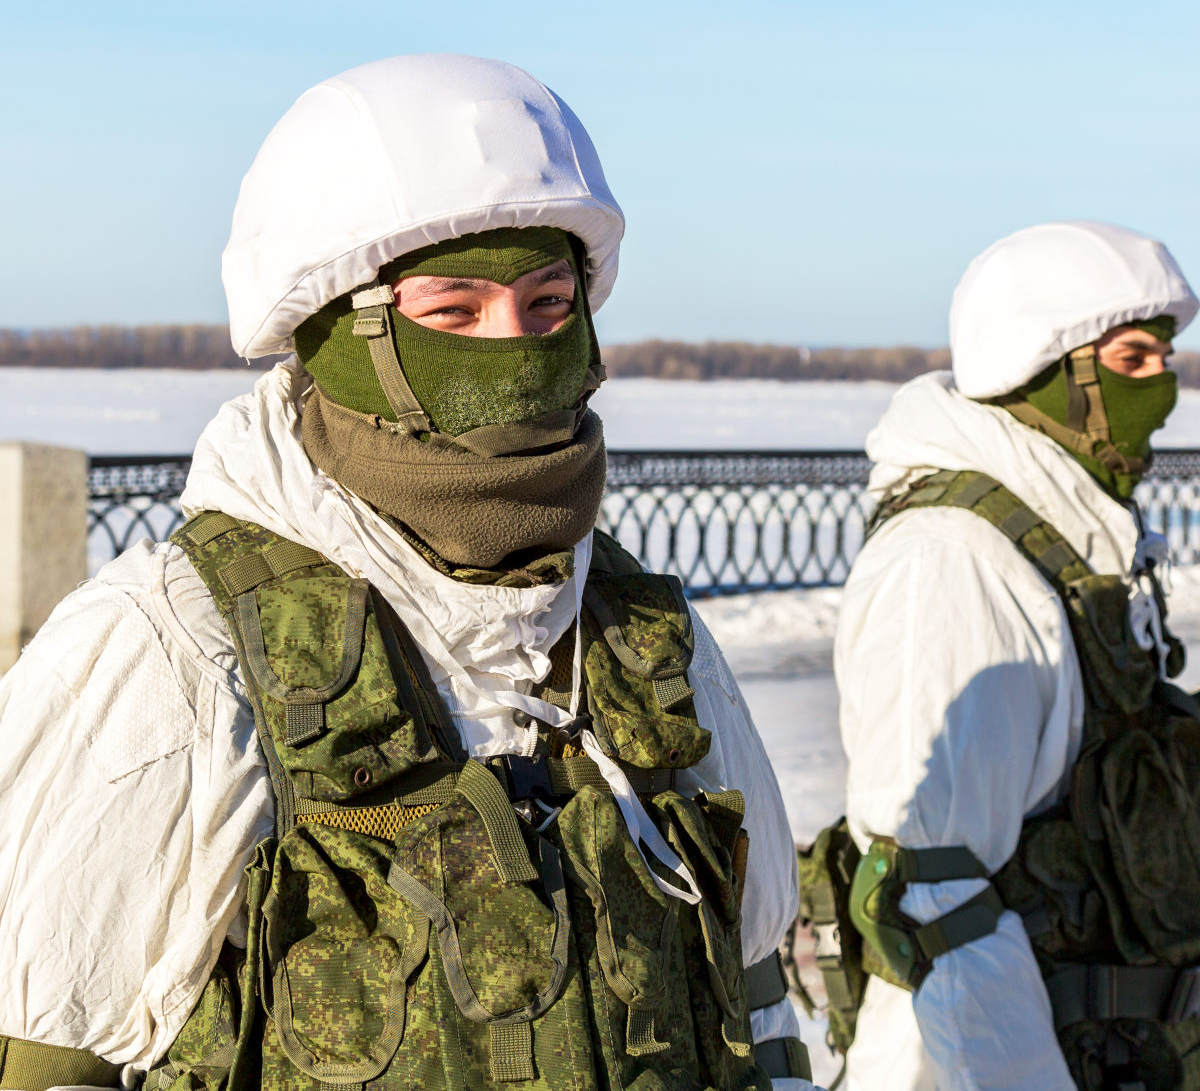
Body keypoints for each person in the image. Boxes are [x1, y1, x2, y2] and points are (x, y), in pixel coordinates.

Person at [0, 55, 814, 1090]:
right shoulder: (169, 648)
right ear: (342, 335)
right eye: (455, 312)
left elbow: (753, 1001)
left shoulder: (632, 636)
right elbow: (46, 1051)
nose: (515, 354)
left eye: (548, 304)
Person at [833, 220, 1200, 1090]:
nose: (1165, 389)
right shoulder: (950, 563)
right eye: (1135, 359)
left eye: (1167, 359)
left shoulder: (1069, 548)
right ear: (1047, 373)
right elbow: (932, 899)